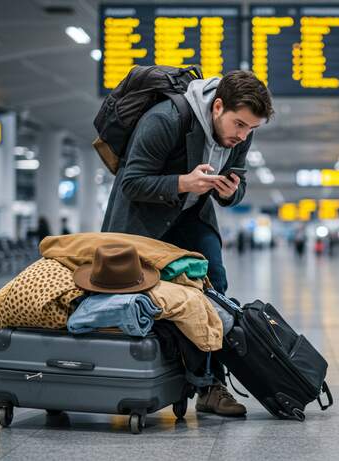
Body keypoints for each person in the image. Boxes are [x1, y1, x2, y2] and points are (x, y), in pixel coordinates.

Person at [101, 70, 273, 417]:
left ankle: (209, 385)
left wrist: (231, 192)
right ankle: (129, 375)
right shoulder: (165, 119)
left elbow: (238, 183)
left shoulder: (241, 134)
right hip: (142, 220)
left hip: (192, 216)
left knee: (215, 289)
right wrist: (182, 182)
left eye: (251, 129)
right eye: (239, 125)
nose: (243, 136)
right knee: (139, 294)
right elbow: (131, 182)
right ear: (217, 106)